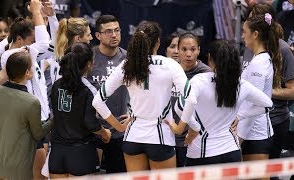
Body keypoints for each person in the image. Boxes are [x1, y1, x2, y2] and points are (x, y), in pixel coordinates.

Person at [92, 21, 190, 171]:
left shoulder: (126, 65)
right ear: (157, 43)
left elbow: (97, 101)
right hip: (160, 138)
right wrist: (180, 128)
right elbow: (191, 99)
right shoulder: (170, 64)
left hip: (132, 137)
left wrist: (117, 126)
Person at [166, 39, 273, 166]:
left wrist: (195, 128)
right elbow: (268, 104)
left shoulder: (200, 80)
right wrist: (241, 115)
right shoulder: (241, 84)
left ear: (210, 59)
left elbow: (180, 107)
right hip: (232, 151)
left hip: (202, 152)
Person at [0, 51, 53, 180]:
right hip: (16, 168)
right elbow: (38, 134)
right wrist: (53, 120)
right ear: (27, 72)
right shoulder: (32, 102)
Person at [49, 42, 111, 178]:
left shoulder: (56, 85)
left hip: (57, 152)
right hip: (81, 152)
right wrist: (104, 133)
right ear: (89, 64)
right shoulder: (88, 90)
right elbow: (91, 123)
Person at [242, 3, 294, 162]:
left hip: (273, 120)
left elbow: (292, 91)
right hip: (249, 122)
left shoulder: (282, 49)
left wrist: (265, 90)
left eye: (253, 20)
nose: (244, 33)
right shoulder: (249, 47)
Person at [236, 12, 282, 164]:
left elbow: (256, 103)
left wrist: (239, 137)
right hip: (251, 132)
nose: (242, 36)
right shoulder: (259, 59)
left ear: (255, 34)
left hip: (255, 134)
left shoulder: (258, 64)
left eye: (244, 32)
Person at [88, 14, 128, 173]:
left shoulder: (128, 58)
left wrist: (132, 112)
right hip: (94, 130)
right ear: (98, 35)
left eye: (117, 30)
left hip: (120, 131)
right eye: (108, 31)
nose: (114, 35)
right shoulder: (88, 57)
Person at [170, 32, 211, 167]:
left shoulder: (207, 73)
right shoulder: (170, 69)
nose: (188, 54)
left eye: (193, 49)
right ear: (178, 50)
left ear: (199, 50)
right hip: (168, 137)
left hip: (194, 138)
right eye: (184, 49)